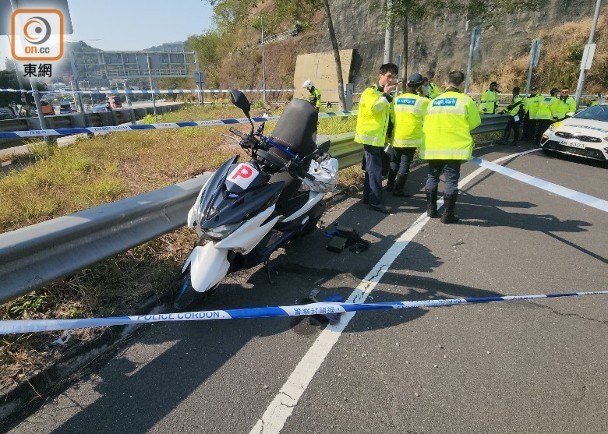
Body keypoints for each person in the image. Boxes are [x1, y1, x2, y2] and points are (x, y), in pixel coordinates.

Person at [419, 70, 481, 224]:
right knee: (451, 181)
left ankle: (431, 210)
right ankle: (448, 215)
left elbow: (425, 122)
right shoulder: (465, 101)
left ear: (446, 83)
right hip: (454, 148)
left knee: (432, 177)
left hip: (433, 146)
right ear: (462, 84)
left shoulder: (434, 101)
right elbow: (474, 123)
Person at [355, 62, 399, 213]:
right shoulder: (370, 92)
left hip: (378, 139)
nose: (391, 80)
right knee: (375, 171)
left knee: (371, 170)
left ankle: (368, 198)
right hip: (370, 138)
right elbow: (374, 110)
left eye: (393, 77)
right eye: (389, 76)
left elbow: (388, 119)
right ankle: (376, 202)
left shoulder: (385, 96)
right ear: (380, 76)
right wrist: (386, 95)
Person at [391, 72, 430, 196]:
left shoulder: (396, 99)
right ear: (419, 87)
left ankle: (390, 185)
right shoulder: (422, 101)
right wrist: (426, 95)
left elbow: (391, 117)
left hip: (396, 136)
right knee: (405, 163)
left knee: (394, 160)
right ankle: (398, 189)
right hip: (411, 137)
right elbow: (429, 116)